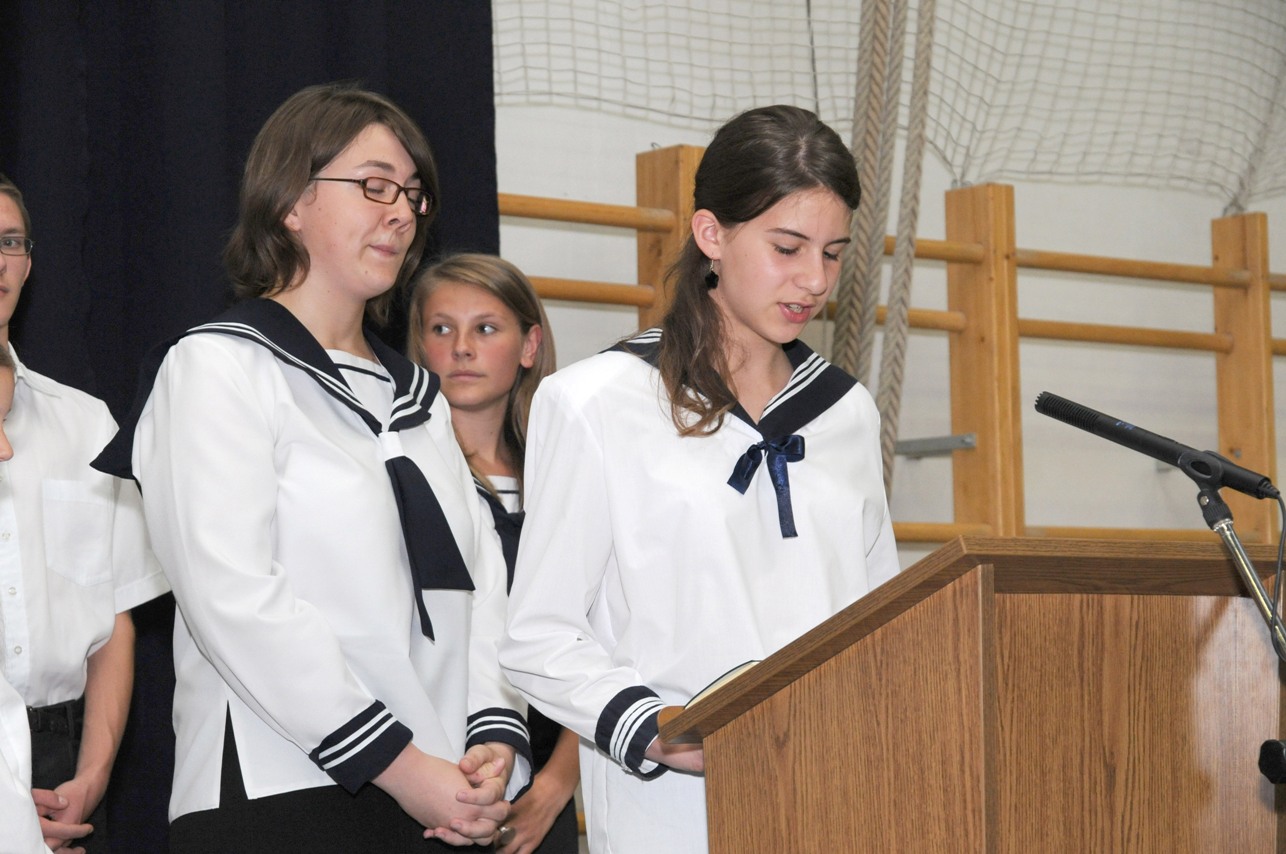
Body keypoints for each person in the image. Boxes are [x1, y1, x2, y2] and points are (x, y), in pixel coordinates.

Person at [92, 83, 529, 852]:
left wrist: (492, 735)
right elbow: (233, 597)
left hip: (435, 793)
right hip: (280, 788)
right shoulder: (218, 366)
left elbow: (482, 581)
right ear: (292, 201)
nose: (402, 212)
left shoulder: (419, 399)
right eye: (374, 186)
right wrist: (398, 764)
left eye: (413, 194)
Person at [498, 105, 901, 853]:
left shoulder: (846, 411)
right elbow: (538, 636)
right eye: (787, 247)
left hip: (836, 798)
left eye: (833, 253)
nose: (814, 280)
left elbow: (882, 622)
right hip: (674, 813)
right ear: (711, 234)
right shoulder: (597, 401)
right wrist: (654, 730)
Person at [0, 174, 169, 853]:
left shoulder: (86, 424)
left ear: (28, 264)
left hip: (61, 762)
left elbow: (115, 617)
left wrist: (92, 778)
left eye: (9, 242)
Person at [408, 254, 579, 854]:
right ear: (419, 345)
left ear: (529, 346)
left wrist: (554, 787)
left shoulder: (566, 480)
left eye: (485, 328)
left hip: (540, 793)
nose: (461, 348)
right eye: (441, 328)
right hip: (427, 782)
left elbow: (608, 642)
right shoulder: (397, 477)